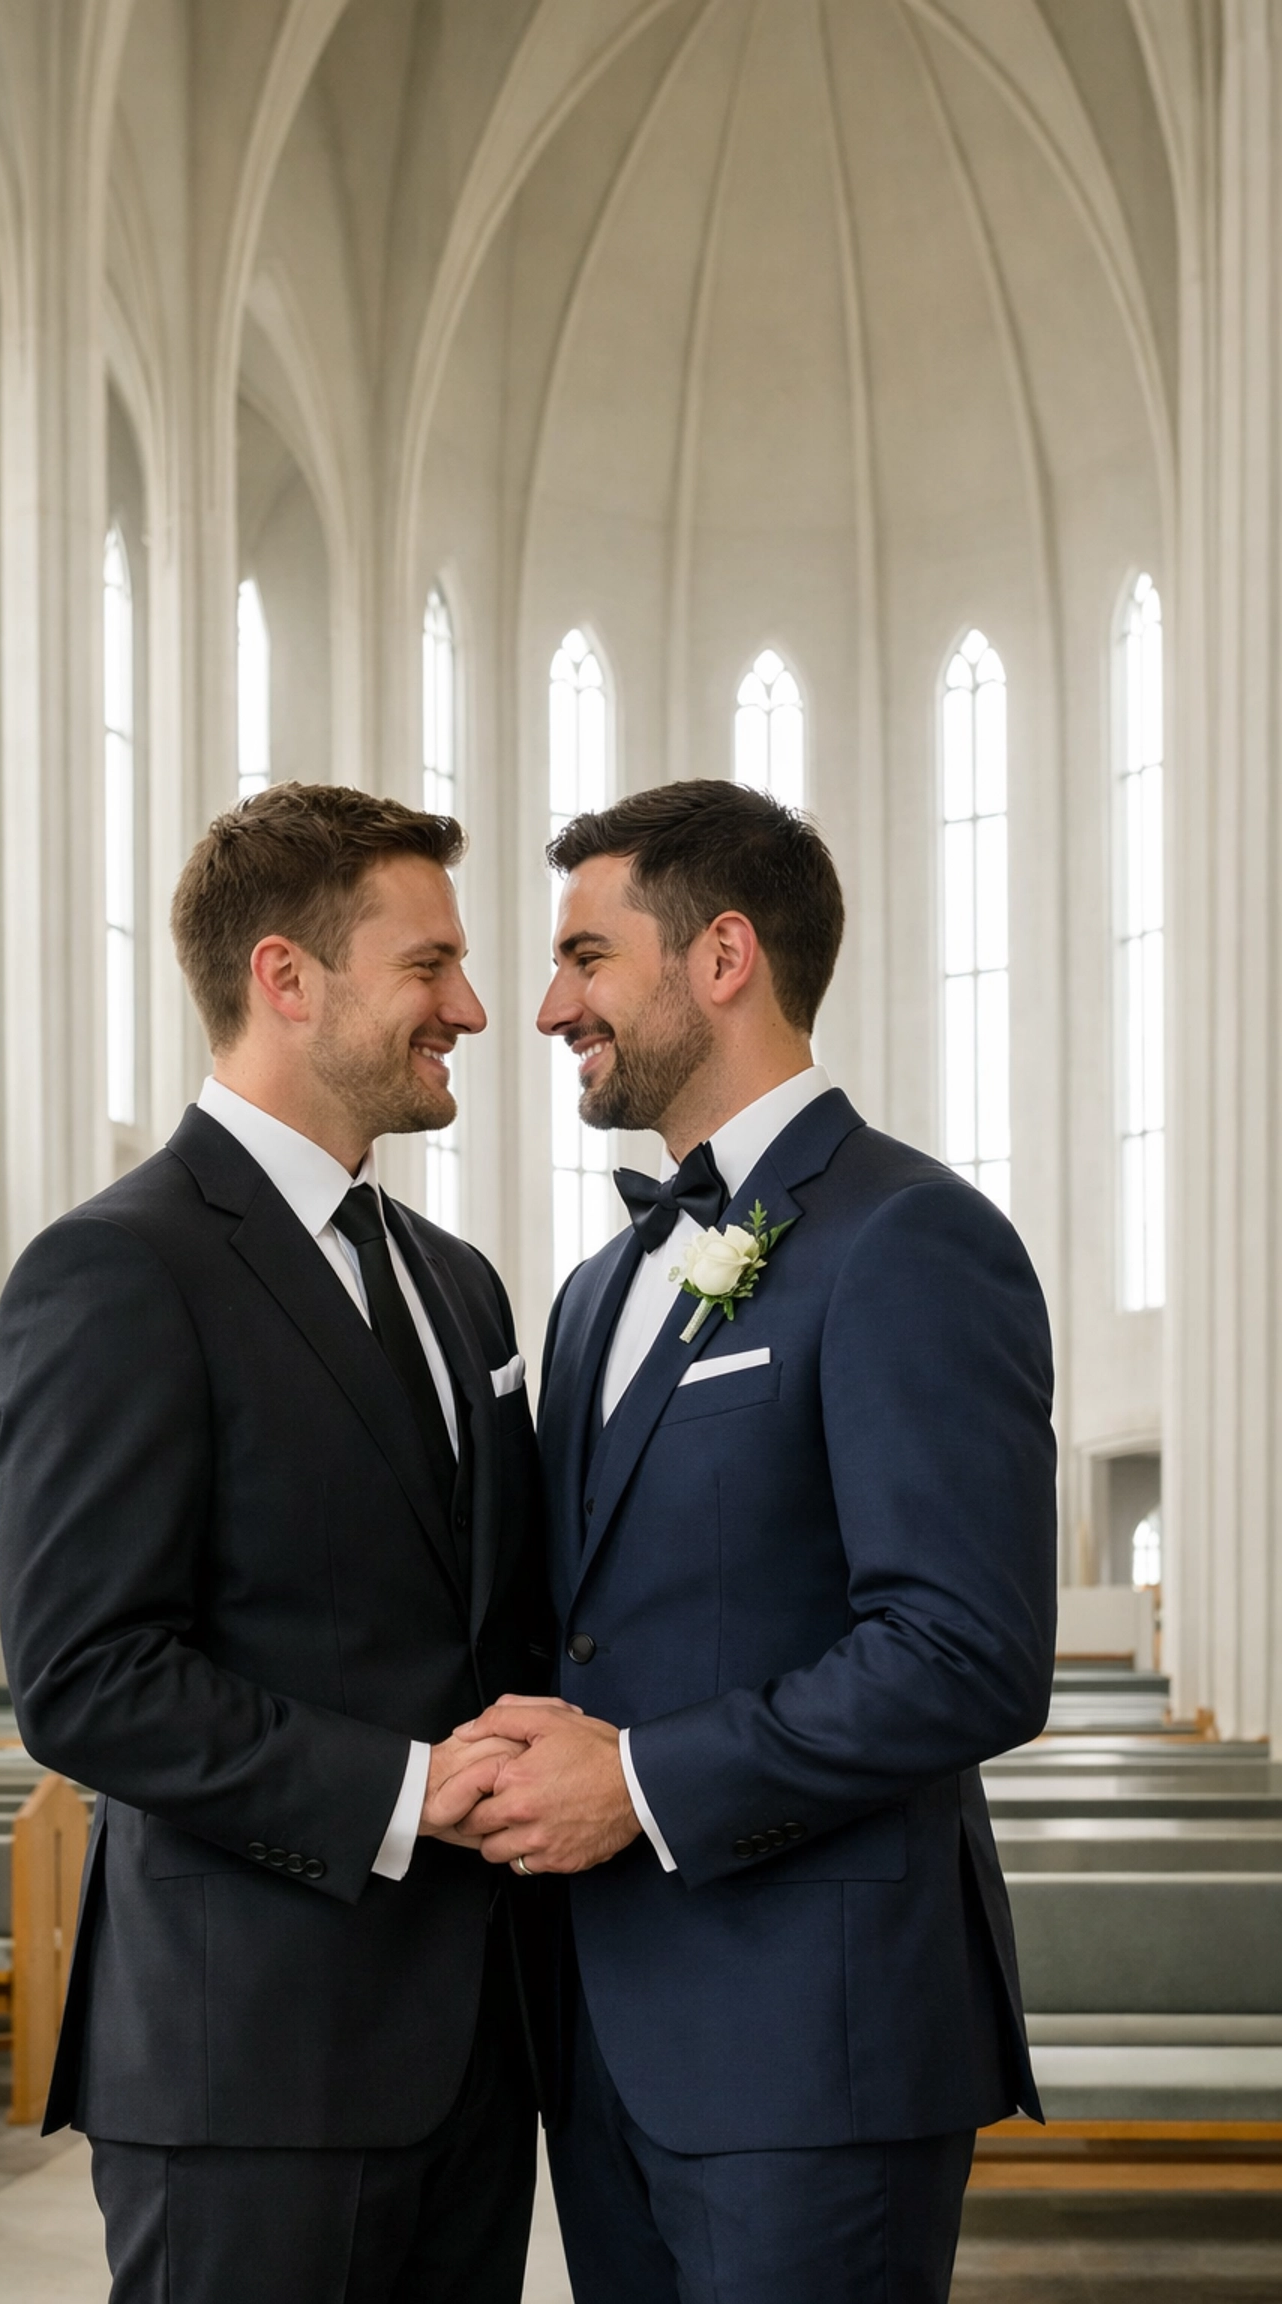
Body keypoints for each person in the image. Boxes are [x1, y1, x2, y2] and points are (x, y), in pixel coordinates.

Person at [454, 778, 1058, 2304]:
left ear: (723, 957)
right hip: (605, 2044)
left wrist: (643, 1783)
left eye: (587, 958)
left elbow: (965, 1656)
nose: (544, 1006)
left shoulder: (910, 1238)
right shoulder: (597, 1295)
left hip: (816, 2054)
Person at [0, 783, 549, 2304]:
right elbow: (89, 1679)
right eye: (429, 967)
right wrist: (405, 1790)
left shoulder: (460, 1285)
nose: (475, 1009)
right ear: (287, 979)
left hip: (477, 2057)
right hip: (245, 2070)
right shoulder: (117, 1270)